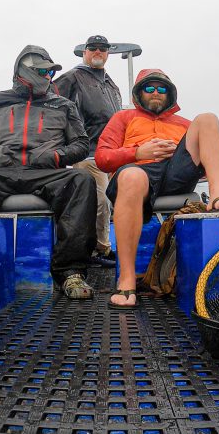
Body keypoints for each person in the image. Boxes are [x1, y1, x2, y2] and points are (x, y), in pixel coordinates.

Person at [0, 45, 98, 299]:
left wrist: (57, 155)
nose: (49, 77)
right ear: (24, 70)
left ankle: (70, 272)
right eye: (44, 72)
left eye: (51, 73)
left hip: (47, 173)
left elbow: (81, 144)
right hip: (1, 172)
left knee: (81, 179)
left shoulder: (64, 105)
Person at [95, 68, 219, 308]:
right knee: (132, 176)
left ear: (170, 93)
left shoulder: (185, 124)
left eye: (162, 88)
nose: (156, 92)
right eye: (149, 88)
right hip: (137, 174)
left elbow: (205, 162)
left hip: (176, 174)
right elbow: (102, 158)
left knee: (207, 118)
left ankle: (218, 197)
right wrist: (138, 152)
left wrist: (182, 153)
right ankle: (127, 280)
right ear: (138, 93)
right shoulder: (123, 118)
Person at [53, 35, 123, 268]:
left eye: (102, 49)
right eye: (92, 48)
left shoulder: (111, 84)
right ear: (84, 52)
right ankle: (96, 249)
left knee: (113, 201)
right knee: (98, 201)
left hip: (111, 155)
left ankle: (105, 246)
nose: (97, 52)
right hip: (87, 153)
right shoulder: (73, 77)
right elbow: (51, 105)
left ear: (107, 54)